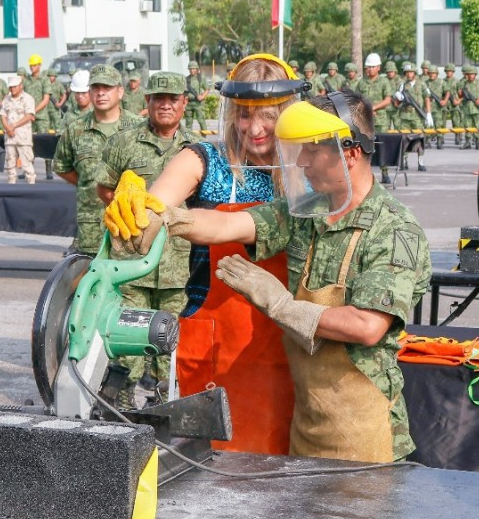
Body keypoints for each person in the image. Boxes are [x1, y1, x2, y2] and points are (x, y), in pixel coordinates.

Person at [110, 91, 431, 463]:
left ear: (350, 153)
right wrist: (166, 217)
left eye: (312, 151)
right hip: (308, 426)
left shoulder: (393, 229)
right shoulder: (309, 212)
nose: (303, 163)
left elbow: (367, 326)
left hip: (366, 430)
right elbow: (229, 224)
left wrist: (281, 304)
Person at [102, 54, 303, 456]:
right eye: (244, 116)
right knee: (209, 468)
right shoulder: (205, 160)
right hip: (214, 348)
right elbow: (158, 206)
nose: (255, 129)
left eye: (267, 116)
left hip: (291, 340)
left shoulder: (308, 164)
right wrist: (138, 202)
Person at [98, 72, 199, 407]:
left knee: (169, 340)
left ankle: (161, 408)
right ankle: (117, 408)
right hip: (130, 262)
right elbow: (105, 188)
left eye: (173, 99)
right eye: (158, 98)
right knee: (126, 336)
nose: (165, 105)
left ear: (184, 103)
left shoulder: (198, 150)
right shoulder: (123, 142)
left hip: (178, 262)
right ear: (147, 103)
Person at [53, 64, 141, 254]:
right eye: (95, 88)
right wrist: (89, 182)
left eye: (107, 88)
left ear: (120, 91)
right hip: (92, 221)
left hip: (132, 220)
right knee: (90, 274)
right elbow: (61, 166)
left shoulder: (140, 128)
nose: (101, 93)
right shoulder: (75, 129)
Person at [355, 53, 395, 184]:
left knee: (382, 146)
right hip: (365, 121)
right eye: (368, 67)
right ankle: (367, 174)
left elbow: (388, 99)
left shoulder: (384, 82)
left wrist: (374, 108)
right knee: (366, 147)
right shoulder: (361, 82)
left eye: (372, 67)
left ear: (378, 67)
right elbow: (356, 99)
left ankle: (385, 173)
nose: (369, 69)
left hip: (381, 121)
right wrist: (364, 109)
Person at [0, 73, 37, 184]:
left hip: (23, 137)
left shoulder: (28, 98)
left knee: (27, 166)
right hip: (10, 137)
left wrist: (13, 126)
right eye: (10, 87)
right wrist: (8, 128)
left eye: (15, 86)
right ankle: (11, 189)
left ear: (21, 86)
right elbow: (2, 115)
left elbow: (29, 115)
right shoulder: (6, 99)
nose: (12, 89)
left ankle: (31, 189)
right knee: (10, 166)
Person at [391, 63, 429, 172]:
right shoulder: (402, 85)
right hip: (405, 116)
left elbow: (427, 99)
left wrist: (428, 114)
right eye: (407, 72)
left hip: (417, 116)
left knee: (420, 138)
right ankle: (404, 161)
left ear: (415, 73)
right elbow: (397, 102)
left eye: (411, 72)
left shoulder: (421, 84)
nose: (409, 74)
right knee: (404, 139)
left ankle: (420, 162)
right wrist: (398, 97)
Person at [23, 55, 54, 134]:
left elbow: (46, 100)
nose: (32, 67)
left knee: (42, 141)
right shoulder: (26, 80)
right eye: (30, 65)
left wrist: (33, 112)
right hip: (28, 118)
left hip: (41, 118)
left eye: (34, 65)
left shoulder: (44, 79)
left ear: (39, 65)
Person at [458, 64, 479, 150]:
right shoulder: (463, 83)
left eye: (472, 74)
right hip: (467, 107)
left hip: (477, 108)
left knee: (478, 125)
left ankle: (477, 142)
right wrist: (460, 92)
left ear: (475, 74)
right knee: (467, 125)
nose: (471, 76)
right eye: (469, 74)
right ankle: (467, 142)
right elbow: (460, 95)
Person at [425, 65, 447, 150]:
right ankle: (427, 141)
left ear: (437, 74)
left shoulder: (441, 82)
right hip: (429, 106)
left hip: (438, 107)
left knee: (439, 124)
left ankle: (439, 141)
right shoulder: (425, 83)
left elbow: (447, 92)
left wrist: (444, 100)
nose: (432, 75)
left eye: (433, 73)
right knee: (428, 125)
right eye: (430, 73)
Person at [184, 60, 209, 131]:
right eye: (190, 69)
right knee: (188, 123)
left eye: (193, 68)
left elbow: (207, 89)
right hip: (189, 104)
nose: (192, 70)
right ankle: (188, 139)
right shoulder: (187, 79)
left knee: (201, 121)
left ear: (197, 69)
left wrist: (202, 97)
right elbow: (184, 92)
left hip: (198, 104)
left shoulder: (200, 78)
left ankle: (204, 139)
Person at [382, 61, 400, 131]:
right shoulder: (383, 80)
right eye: (388, 72)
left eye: (391, 71)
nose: (390, 73)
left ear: (395, 71)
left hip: (396, 110)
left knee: (398, 129)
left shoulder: (399, 80)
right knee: (385, 129)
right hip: (386, 109)